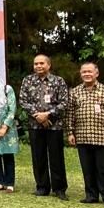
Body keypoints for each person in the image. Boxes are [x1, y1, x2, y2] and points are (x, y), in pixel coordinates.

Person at [66, 61, 104, 207]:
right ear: (80, 74)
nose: (87, 74)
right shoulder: (75, 92)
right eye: (84, 72)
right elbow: (70, 114)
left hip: (102, 138)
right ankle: (91, 195)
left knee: (103, 170)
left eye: (90, 71)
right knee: (87, 169)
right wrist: (70, 132)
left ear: (96, 73)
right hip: (82, 137)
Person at [18, 54, 70, 199]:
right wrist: (38, 116)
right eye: (36, 64)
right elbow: (23, 101)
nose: (38, 66)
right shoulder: (28, 80)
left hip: (54, 125)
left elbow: (64, 102)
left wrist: (48, 114)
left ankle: (59, 189)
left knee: (56, 158)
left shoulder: (58, 81)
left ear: (48, 65)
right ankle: (42, 187)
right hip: (35, 126)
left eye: (41, 63)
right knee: (38, 157)